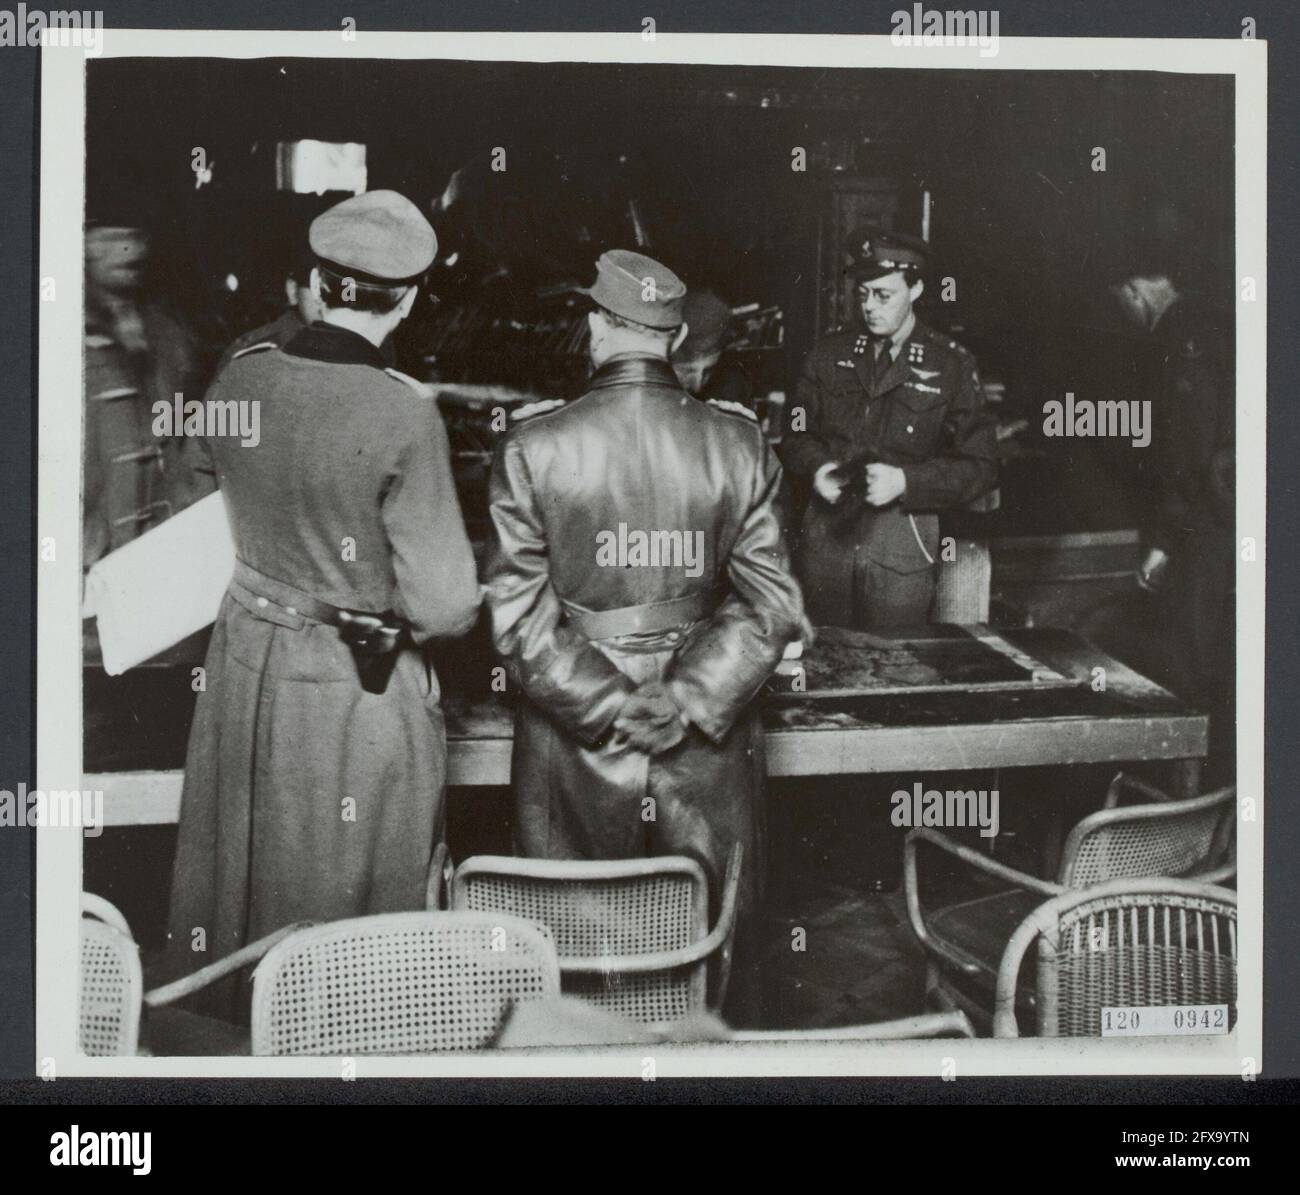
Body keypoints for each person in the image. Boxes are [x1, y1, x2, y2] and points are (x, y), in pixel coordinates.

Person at [162, 190, 481, 1016]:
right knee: (347, 905)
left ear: (315, 282)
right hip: (352, 688)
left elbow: (187, 500)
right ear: (408, 298)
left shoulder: (243, 376)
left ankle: (234, 1042)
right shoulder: (403, 410)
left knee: (243, 876)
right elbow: (446, 606)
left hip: (241, 665)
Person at [484, 249, 808, 1023]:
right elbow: (773, 604)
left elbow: (516, 618)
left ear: (596, 325)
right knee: (704, 955)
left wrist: (609, 704)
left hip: (575, 747)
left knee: (575, 958)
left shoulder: (535, 446)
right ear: (671, 337)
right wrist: (686, 697)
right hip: (704, 747)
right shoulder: (738, 443)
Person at [780, 229, 998, 629]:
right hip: (825, 545)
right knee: (820, 661)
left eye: (884, 295)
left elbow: (980, 466)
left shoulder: (951, 365)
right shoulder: (829, 353)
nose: (869, 307)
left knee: (897, 665)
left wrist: (906, 481)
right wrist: (818, 469)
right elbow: (795, 433)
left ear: (915, 289)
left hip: (902, 546)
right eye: (862, 295)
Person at [1114, 258, 1234, 784]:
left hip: (1208, 531)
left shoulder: (1183, 339)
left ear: (1137, 290)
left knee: (1196, 671)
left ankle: (1197, 813)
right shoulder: (1218, 321)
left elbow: (1188, 454)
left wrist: (1162, 540)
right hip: (1231, 525)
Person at [83, 220, 213, 568]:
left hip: (159, 543)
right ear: (83, 246)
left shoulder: (171, 333)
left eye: (135, 237)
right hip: (90, 553)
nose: (127, 250)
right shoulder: (54, 327)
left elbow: (189, 433)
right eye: (110, 238)